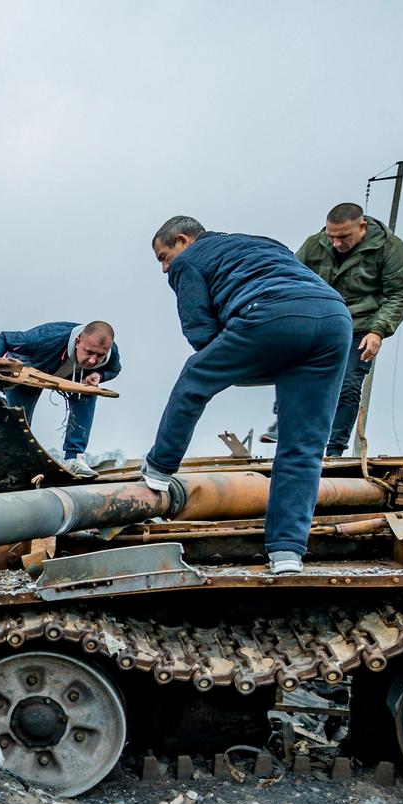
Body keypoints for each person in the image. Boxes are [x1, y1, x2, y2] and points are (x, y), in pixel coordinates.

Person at [139, 216, 351, 575]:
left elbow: (201, 335)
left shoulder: (188, 262)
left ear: (183, 240)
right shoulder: (265, 243)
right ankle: (287, 553)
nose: (164, 268)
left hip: (270, 315)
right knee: (304, 445)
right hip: (334, 319)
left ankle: (158, 469)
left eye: (163, 256)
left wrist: (238, 366)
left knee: (195, 377)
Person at [296, 202, 403, 456]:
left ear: (362, 228)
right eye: (331, 237)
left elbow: (400, 291)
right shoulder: (314, 245)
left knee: (348, 385)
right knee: (304, 379)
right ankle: (298, 441)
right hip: (321, 324)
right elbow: (292, 277)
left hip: (361, 327)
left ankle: (334, 450)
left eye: (343, 237)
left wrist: (378, 330)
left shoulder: (389, 248)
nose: (336, 243)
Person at [0, 321, 121, 477]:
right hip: (30, 371)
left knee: (88, 391)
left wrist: (99, 375)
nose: (92, 361)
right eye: (89, 352)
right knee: (17, 421)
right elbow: (4, 338)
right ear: (77, 342)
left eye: (100, 356)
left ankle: (74, 458)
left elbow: (114, 370)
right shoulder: (46, 338)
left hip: (74, 375)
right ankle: (10, 463)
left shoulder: (111, 353)